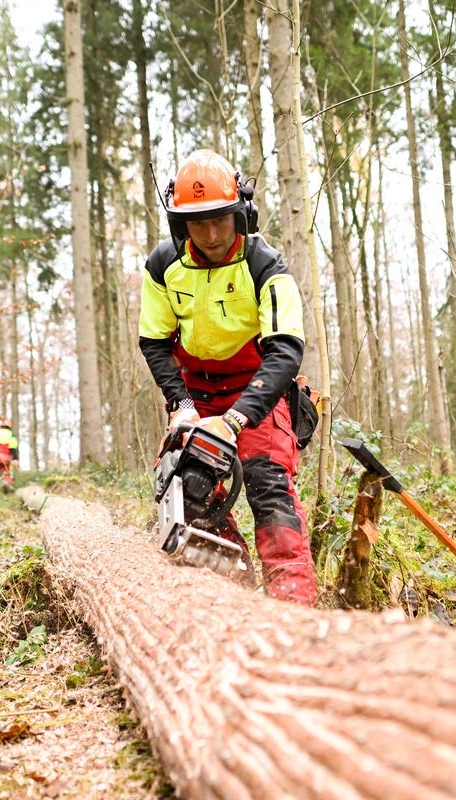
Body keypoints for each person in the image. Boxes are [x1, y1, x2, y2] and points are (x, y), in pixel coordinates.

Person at [139, 148, 317, 605]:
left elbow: (286, 349)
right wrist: (181, 405)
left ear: (241, 214)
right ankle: (231, 599)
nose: (212, 233)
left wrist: (236, 420)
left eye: (221, 219)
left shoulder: (265, 266)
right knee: (193, 491)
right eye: (199, 223)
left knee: (268, 486)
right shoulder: (164, 267)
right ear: (181, 225)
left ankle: (293, 610)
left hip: (257, 391)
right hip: (195, 393)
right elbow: (154, 341)